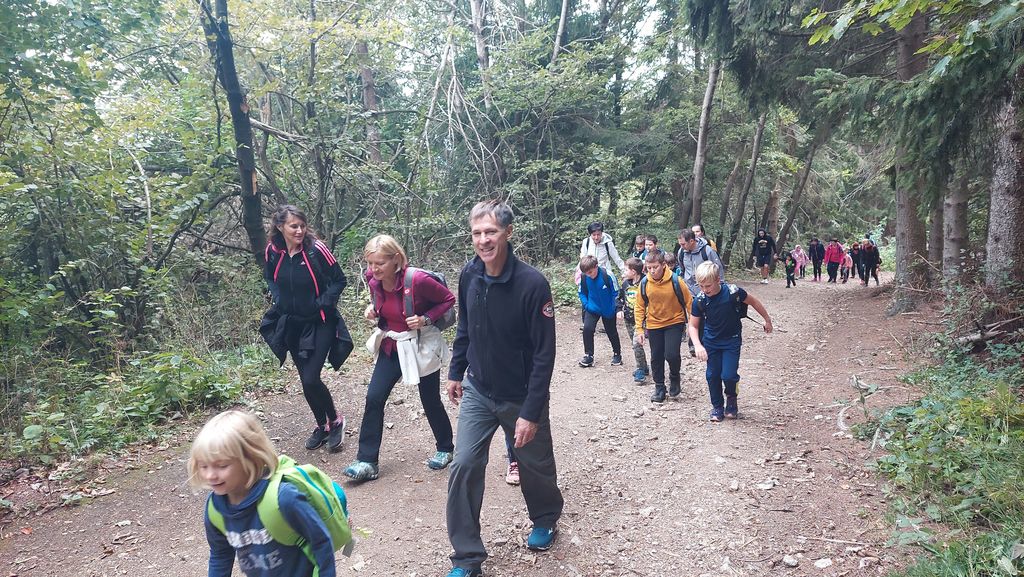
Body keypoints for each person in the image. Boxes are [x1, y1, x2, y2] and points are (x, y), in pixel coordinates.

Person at [445, 200, 563, 577]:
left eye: (491, 232)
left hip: (521, 394)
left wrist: (531, 412)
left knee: (534, 464)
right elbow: (465, 327)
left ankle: (545, 518)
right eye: (477, 233)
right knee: (464, 463)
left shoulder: (532, 284)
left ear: (508, 233)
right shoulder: (469, 274)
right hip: (479, 390)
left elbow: (544, 354)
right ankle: (466, 557)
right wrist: (455, 370)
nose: (483, 240)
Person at [343, 235, 457, 482]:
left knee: (430, 399)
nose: (373, 269)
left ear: (396, 259)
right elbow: (381, 307)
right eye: (370, 263)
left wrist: (425, 318)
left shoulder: (417, 280)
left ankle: (446, 448)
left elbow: (449, 299)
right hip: (392, 345)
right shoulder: (373, 280)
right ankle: (367, 461)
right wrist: (372, 310)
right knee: (374, 397)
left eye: (380, 263)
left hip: (420, 344)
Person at [189, 410, 337, 577]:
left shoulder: (284, 499)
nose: (210, 475)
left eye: (222, 466)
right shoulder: (215, 510)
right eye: (204, 466)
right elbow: (221, 554)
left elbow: (320, 541)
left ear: (251, 458)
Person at [260, 205, 352, 453]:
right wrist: (278, 298)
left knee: (311, 377)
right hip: (292, 323)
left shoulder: (316, 249)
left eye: (302, 225)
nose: (299, 231)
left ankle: (336, 420)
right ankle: (322, 425)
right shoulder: (273, 250)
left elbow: (339, 280)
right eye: (294, 226)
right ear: (280, 226)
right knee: (306, 380)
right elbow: (269, 276)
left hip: (321, 321)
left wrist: (321, 303)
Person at [688, 262, 773, 422]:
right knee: (712, 375)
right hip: (711, 342)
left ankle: (732, 397)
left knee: (729, 375)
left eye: (708, 286)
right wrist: (698, 345)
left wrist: (767, 320)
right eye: (701, 286)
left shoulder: (733, 293)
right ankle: (717, 406)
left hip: (731, 341)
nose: (705, 290)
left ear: (718, 280)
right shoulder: (700, 300)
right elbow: (693, 325)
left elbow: (754, 302)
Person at [634, 250, 692, 403]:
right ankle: (659, 387)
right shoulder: (645, 283)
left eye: (655, 267)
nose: (652, 271)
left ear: (663, 265)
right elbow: (639, 307)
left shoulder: (676, 281)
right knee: (656, 357)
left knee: (671, 355)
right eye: (649, 268)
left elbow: (689, 303)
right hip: (654, 324)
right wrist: (639, 329)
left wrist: (693, 326)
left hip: (675, 321)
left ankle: (674, 376)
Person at [577, 255, 623, 368]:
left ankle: (617, 354)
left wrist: (616, 308)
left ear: (596, 266)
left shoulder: (608, 275)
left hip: (608, 309)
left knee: (611, 331)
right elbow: (581, 293)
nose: (589, 275)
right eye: (586, 273)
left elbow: (616, 293)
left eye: (590, 272)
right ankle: (589, 355)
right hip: (592, 308)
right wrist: (586, 305)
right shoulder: (584, 277)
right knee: (587, 329)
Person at [617, 257, 650, 384]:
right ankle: (644, 366)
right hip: (629, 318)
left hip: (642, 319)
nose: (624, 272)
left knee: (637, 343)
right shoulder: (626, 283)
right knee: (635, 344)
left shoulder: (646, 283)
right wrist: (619, 309)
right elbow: (619, 298)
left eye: (626, 269)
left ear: (634, 271)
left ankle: (640, 369)